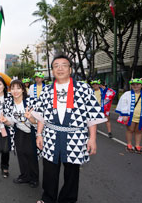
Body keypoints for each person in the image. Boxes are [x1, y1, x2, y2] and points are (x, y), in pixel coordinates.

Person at [28, 54, 106, 203]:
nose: (60, 68)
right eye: (56, 66)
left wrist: (93, 139)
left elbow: (92, 116)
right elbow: (41, 115)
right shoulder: (47, 90)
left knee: (72, 173)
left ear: (70, 69)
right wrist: (39, 134)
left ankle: (68, 200)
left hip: (75, 137)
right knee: (49, 170)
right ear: (52, 71)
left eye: (64, 65)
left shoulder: (83, 88)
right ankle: (48, 198)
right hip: (51, 135)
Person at [9, 79, 39, 188]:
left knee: (31, 155)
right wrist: (5, 120)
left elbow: (38, 122)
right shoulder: (9, 103)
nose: (15, 91)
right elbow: (10, 121)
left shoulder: (31, 102)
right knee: (21, 154)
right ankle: (24, 176)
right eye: (12, 88)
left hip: (30, 131)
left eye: (18, 88)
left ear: (22, 90)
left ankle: (34, 178)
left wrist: (30, 118)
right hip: (18, 131)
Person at [116, 78, 142, 153]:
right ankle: (129, 144)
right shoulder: (127, 94)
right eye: (133, 84)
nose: (135, 86)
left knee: (139, 131)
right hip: (130, 116)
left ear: (141, 85)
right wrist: (124, 114)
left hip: (140, 116)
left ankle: (137, 145)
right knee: (130, 130)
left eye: (138, 84)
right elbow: (124, 104)